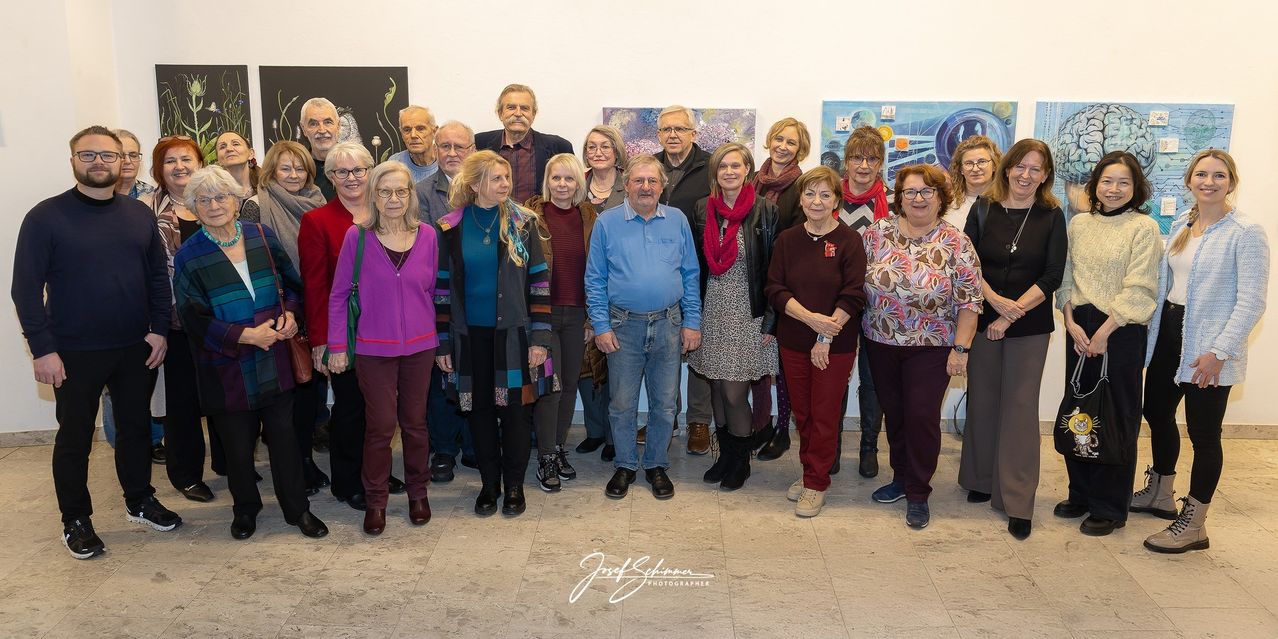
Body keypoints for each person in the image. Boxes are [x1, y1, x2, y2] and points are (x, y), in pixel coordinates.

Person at [12, 126, 181, 559]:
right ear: (72, 160)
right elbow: (25, 290)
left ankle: (139, 499)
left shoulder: (139, 215)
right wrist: (42, 348)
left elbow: (157, 280)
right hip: (72, 351)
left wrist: (159, 328)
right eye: (87, 155)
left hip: (134, 346)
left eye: (109, 155)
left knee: (136, 429)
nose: (99, 162)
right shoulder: (45, 217)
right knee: (75, 438)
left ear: (124, 161)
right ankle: (76, 519)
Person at [173, 165, 328, 541]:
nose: (214, 205)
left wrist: (292, 314)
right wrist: (243, 336)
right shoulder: (189, 254)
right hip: (226, 365)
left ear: (237, 199)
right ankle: (246, 509)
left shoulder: (261, 235)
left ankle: (298, 509)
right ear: (193, 207)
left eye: (221, 196)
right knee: (238, 448)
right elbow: (191, 316)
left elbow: (292, 286)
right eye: (203, 200)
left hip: (274, 358)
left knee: (285, 439)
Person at [1137, 150, 1268, 553]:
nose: (1209, 182)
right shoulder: (1182, 223)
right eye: (1201, 174)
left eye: (1219, 175)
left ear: (1232, 182)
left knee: (1204, 433)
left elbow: (1252, 301)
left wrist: (1220, 351)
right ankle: (1160, 491)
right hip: (1170, 336)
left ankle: (1194, 523)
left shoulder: (1245, 232)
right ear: (1189, 181)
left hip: (1209, 347)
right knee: (1156, 412)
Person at [434, 150, 554, 517]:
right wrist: (442, 342)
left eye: (506, 178)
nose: (505, 184)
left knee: (516, 414)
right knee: (480, 413)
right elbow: (440, 289)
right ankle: (489, 485)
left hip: (515, 336)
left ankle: (514, 486)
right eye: (496, 178)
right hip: (469, 338)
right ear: (474, 184)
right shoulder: (449, 227)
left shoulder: (524, 223)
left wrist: (540, 338)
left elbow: (539, 282)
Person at [957, 139, 1067, 540]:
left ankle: (1017, 500)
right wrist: (996, 303)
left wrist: (1013, 310)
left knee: (1019, 409)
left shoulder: (1052, 216)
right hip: (983, 319)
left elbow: (1053, 273)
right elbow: (966, 264)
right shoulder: (983, 208)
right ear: (1007, 169)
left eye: (1035, 169)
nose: (1026, 175)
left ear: (1045, 175)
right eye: (1020, 166)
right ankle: (981, 480)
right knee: (982, 401)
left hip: (1029, 326)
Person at [863, 163, 983, 530]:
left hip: (932, 346)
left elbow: (970, 302)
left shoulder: (955, 242)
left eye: (926, 192)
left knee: (921, 416)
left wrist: (960, 350)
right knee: (895, 413)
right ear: (899, 197)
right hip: (880, 341)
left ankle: (918, 491)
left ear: (940, 197)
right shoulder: (876, 233)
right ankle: (900, 478)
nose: (917, 198)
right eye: (910, 192)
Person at [327, 162, 439, 535]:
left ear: (411, 195)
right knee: (379, 426)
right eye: (385, 192)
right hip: (373, 348)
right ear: (374, 195)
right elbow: (339, 294)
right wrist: (337, 345)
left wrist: (444, 342)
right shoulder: (357, 238)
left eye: (401, 191)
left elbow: (435, 292)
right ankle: (375, 500)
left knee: (416, 424)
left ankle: (417, 492)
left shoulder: (427, 236)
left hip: (421, 346)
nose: (393, 199)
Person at [1054, 150, 1162, 536]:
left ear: (1136, 187)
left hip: (1120, 330)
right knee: (1081, 409)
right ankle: (1080, 492)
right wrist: (1068, 319)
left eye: (1124, 182)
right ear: (1095, 185)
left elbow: (1141, 287)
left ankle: (1110, 506)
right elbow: (1065, 276)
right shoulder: (1079, 224)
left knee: (1116, 415)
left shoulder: (1144, 228)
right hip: (1079, 326)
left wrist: (1103, 332)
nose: (1114, 189)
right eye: (1107, 181)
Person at [586, 155, 701, 501]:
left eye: (652, 181)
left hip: (669, 324)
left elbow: (690, 274)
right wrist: (601, 326)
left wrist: (692, 321)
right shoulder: (606, 223)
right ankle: (625, 465)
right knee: (621, 404)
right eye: (639, 181)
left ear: (662, 186)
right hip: (623, 327)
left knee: (665, 404)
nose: (646, 187)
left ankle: (655, 464)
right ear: (627, 184)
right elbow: (595, 279)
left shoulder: (677, 220)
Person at [299, 141, 398, 510]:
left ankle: (377, 472)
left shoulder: (390, 214)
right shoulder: (317, 221)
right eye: (342, 172)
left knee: (383, 408)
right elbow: (315, 285)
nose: (352, 178)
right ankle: (347, 480)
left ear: (371, 171)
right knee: (351, 407)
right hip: (347, 335)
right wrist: (323, 341)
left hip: (387, 330)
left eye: (359, 170)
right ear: (330, 178)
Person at [765, 166, 867, 516]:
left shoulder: (850, 241)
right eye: (810, 194)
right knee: (803, 413)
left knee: (824, 414)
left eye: (825, 194)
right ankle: (812, 473)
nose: (816, 201)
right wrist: (809, 319)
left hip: (834, 347)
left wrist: (824, 334)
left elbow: (853, 295)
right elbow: (775, 289)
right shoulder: (788, 239)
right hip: (792, 341)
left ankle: (817, 483)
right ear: (802, 198)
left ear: (836, 200)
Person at [688, 143, 779, 491]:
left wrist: (772, 321)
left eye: (735, 166)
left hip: (748, 314)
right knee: (714, 386)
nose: (729, 171)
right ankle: (724, 456)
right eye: (722, 166)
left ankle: (741, 462)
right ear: (715, 172)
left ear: (747, 170)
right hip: (711, 310)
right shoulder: (702, 209)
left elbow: (774, 271)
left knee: (734, 394)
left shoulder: (765, 211)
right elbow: (693, 265)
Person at [242, 140, 332, 492]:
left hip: (317, 308)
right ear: (271, 171)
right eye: (285, 168)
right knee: (285, 394)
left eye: (300, 168)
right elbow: (249, 265)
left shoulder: (319, 202)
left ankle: (306, 459)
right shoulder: (255, 207)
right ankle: (292, 465)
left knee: (311, 388)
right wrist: (283, 309)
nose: (293, 175)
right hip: (277, 314)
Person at [141, 135, 217, 503]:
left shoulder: (216, 202)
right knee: (182, 404)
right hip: (176, 321)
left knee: (225, 395)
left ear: (200, 163)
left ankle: (230, 463)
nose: (179, 166)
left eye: (186, 158)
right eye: (170, 161)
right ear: (159, 170)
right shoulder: (145, 210)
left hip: (222, 319)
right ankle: (186, 475)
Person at [523, 154, 598, 491]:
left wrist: (593, 318)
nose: (563, 185)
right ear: (547, 182)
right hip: (543, 315)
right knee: (550, 388)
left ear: (578, 184)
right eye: (557, 178)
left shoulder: (590, 217)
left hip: (577, 314)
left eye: (569, 179)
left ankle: (558, 447)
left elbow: (598, 269)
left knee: (569, 384)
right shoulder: (530, 217)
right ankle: (546, 455)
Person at [414, 120, 478, 481]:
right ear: (436, 150)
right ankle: (444, 451)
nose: (452, 153)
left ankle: (472, 446)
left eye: (460, 147)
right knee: (442, 377)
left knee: (474, 373)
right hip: (436, 298)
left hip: (477, 301)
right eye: (446, 146)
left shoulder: (483, 188)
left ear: (471, 150)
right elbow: (427, 247)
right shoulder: (421, 193)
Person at [653, 105, 714, 456]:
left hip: (703, 272)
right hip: (660, 274)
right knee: (665, 349)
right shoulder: (650, 167)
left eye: (679, 128)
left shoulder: (710, 167)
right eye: (666, 129)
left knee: (697, 347)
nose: (672, 135)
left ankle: (698, 422)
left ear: (693, 133)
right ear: (659, 135)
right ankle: (667, 417)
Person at [753, 117, 812, 462]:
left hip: (786, 283)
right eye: (779, 139)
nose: (783, 146)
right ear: (769, 141)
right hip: (752, 281)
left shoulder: (802, 185)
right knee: (758, 358)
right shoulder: (753, 179)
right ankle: (760, 422)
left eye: (791, 142)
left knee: (784, 363)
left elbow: (797, 238)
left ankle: (782, 430)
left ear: (800, 149)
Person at [838, 125, 892, 478]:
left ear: (880, 163)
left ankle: (869, 445)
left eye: (871, 158)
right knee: (836, 376)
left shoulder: (892, 199)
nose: (863, 165)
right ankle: (831, 445)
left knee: (873, 379)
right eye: (857, 157)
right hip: (836, 302)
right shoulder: (829, 194)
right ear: (846, 159)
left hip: (877, 302)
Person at [474, 84, 573, 203]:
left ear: (533, 114)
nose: (518, 113)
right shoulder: (479, 144)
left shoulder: (558, 147)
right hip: (491, 219)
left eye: (525, 108)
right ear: (500, 113)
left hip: (539, 220)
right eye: (511, 107)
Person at [943, 135, 1002, 229]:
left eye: (982, 162)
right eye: (968, 163)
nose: (975, 169)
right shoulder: (947, 202)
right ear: (961, 169)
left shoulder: (1008, 202)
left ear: (994, 165)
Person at [299, 97, 341, 199]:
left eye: (328, 122)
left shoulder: (356, 165)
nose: (322, 130)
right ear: (303, 129)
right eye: (313, 124)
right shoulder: (297, 170)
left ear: (338, 126)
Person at [387, 105, 439, 183]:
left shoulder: (448, 162)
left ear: (435, 132)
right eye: (407, 130)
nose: (413, 135)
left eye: (420, 129)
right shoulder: (395, 163)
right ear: (401, 134)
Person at [583, 125, 628, 210]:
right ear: (586, 153)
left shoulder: (630, 183)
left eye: (605, 147)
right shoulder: (577, 183)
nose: (598, 153)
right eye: (592, 147)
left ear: (617, 152)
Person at [113, 129, 156, 199]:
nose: (128, 161)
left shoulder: (153, 196)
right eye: (121, 155)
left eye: (133, 155)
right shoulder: (96, 194)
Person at [214, 130, 258, 197]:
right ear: (218, 159)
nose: (229, 149)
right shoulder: (213, 192)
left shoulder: (269, 186)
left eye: (236, 144)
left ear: (251, 153)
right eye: (222, 147)